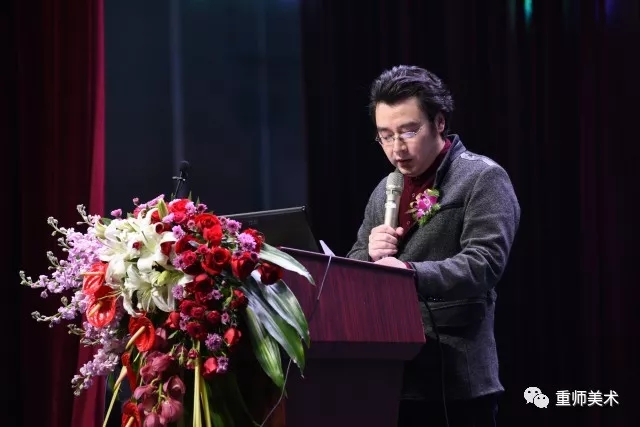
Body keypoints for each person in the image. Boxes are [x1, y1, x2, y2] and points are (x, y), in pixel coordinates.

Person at [346, 65, 521, 427]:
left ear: (439, 122)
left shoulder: (481, 178)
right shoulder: (385, 189)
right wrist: (368, 254)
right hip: (391, 376)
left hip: (457, 380)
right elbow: (354, 266)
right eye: (385, 136)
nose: (397, 148)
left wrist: (409, 274)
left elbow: (484, 264)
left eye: (409, 132)